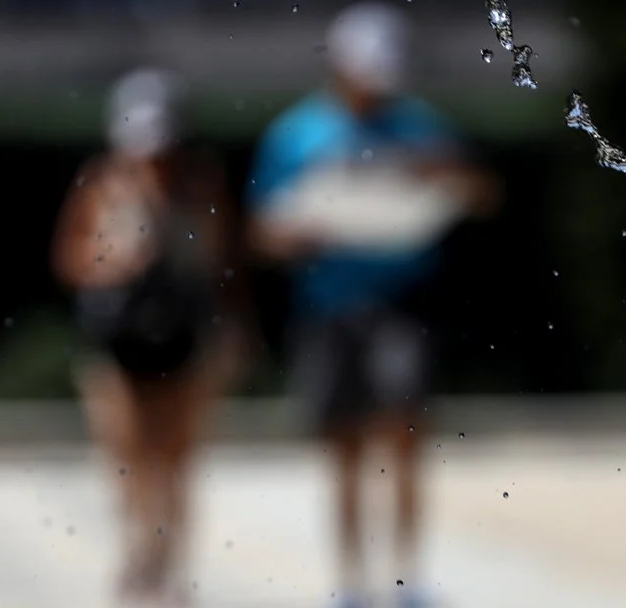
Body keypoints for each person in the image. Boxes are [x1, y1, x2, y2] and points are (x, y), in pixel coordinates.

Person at [245, 3, 500, 607]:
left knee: (405, 432)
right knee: (343, 446)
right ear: (338, 67)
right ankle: (351, 579)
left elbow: (482, 194)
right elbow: (259, 233)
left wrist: (443, 177)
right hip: (328, 305)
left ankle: (408, 575)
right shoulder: (295, 133)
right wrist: (299, 231)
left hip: (401, 301)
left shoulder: (421, 126)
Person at [50, 67, 250, 607]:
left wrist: (232, 332)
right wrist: (111, 264)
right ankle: (138, 550)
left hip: (184, 339)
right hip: (119, 341)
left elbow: (225, 267)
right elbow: (69, 259)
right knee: (127, 456)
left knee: (178, 460)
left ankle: (171, 562)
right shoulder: (102, 184)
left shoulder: (200, 186)